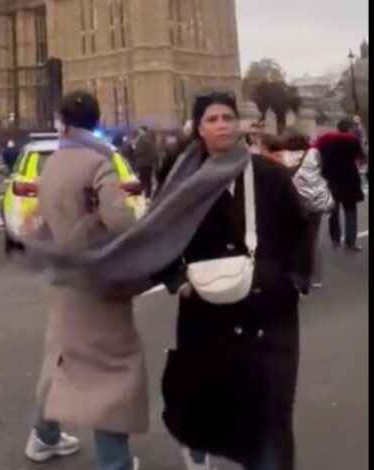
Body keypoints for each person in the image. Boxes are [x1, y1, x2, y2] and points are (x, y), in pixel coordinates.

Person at [153, 92, 309, 470]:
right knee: (217, 409)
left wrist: (291, 280)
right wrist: (178, 281)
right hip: (207, 317)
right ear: (199, 128)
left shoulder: (269, 175)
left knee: (272, 417)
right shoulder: (183, 183)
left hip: (269, 317)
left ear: (239, 124)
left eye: (227, 117)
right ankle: (200, 449)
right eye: (212, 119)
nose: (222, 124)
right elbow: (158, 236)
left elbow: (300, 229)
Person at [25, 91, 145, 470]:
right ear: (95, 120)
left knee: (62, 355)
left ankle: (43, 436)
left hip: (63, 274)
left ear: (63, 122)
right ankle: (115, 462)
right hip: (97, 279)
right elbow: (121, 221)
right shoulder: (99, 162)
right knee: (112, 370)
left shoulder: (54, 162)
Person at [281, 128, 334, 288]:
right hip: (314, 201)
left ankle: (293, 272)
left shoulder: (282, 155)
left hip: (292, 201)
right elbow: (323, 171)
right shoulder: (314, 154)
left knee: (292, 237)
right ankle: (315, 276)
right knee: (314, 238)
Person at [316, 118, 366, 252]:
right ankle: (351, 242)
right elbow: (361, 157)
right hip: (349, 180)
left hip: (331, 179)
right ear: (349, 128)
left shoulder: (325, 141)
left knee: (333, 211)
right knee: (350, 211)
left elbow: (318, 157)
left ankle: (335, 239)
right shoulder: (353, 141)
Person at [132, 126, 159, 198]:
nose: (138, 132)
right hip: (149, 163)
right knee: (148, 181)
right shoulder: (150, 139)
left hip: (142, 163)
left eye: (139, 131)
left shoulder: (142, 139)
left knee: (142, 180)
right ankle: (148, 195)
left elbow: (138, 151)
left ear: (142, 131)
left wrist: (134, 148)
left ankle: (140, 196)